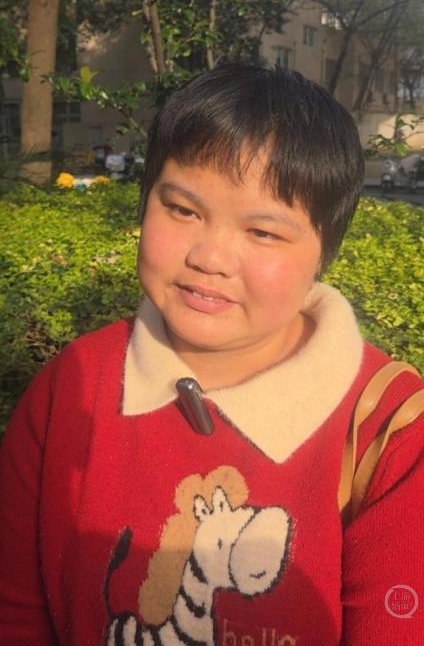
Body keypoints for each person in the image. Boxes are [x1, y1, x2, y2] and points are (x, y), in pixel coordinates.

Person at [0, 64, 423, 645]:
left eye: (263, 232)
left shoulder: (391, 429)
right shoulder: (72, 385)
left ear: (325, 251)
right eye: (182, 210)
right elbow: (16, 611)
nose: (209, 257)